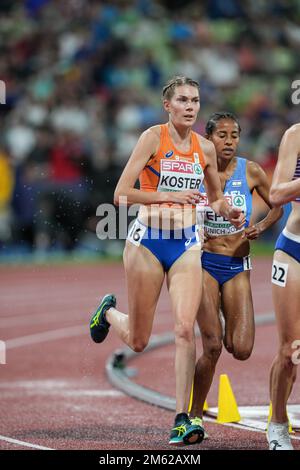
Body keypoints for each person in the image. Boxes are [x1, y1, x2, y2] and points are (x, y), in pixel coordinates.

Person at [89, 77, 244, 446]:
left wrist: (229, 211)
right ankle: (109, 313)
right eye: (183, 100)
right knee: (139, 340)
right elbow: (121, 195)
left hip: (187, 245)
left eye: (195, 100)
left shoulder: (204, 149)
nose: (190, 107)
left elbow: (215, 197)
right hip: (148, 244)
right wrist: (168, 195)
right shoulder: (151, 138)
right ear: (167, 105)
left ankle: (182, 418)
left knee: (181, 329)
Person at [189, 112, 283, 435]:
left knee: (240, 349)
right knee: (212, 346)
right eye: (222, 136)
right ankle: (194, 413)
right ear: (210, 137)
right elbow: (176, 204)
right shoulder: (198, 170)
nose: (229, 142)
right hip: (204, 264)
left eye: (234, 136)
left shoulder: (252, 171)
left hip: (237, 265)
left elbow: (278, 206)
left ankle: (222, 310)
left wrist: (259, 227)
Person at [267, 123, 300, 450]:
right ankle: (277, 425)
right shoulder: (295, 135)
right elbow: (276, 194)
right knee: (290, 350)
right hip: (294, 250)